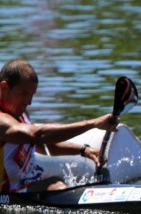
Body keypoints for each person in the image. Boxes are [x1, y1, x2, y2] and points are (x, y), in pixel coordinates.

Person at [0, 59, 119, 193]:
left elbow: (41, 143)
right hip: (8, 194)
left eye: (32, 95)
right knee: (56, 185)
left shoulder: (19, 112)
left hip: (25, 185)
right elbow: (36, 135)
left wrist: (84, 151)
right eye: (23, 94)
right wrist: (92, 123)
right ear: (4, 88)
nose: (29, 102)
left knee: (59, 182)